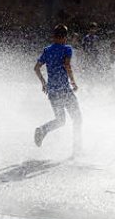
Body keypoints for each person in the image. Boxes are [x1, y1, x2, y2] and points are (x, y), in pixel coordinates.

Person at [34, 24, 82, 156]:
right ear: (65, 37)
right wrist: (73, 82)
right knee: (77, 118)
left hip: (53, 92)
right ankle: (77, 149)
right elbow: (67, 65)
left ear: (54, 36)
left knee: (60, 120)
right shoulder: (67, 49)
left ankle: (43, 130)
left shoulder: (47, 50)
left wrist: (44, 83)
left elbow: (36, 68)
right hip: (64, 90)